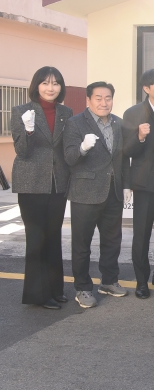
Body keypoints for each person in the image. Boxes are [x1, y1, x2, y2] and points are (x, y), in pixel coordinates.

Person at [63, 82, 130, 309]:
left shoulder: (118, 123)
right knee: (82, 243)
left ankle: (109, 281)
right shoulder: (75, 123)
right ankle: (82, 288)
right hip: (85, 193)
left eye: (108, 98)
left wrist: (126, 185)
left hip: (113, 191)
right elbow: (69, 157)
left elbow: (122, 158)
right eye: (98, 98)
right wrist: (82, 148)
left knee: (112, 241)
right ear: (88, 100)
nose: (104, 102)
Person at [11, 67, 73, 309]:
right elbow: (22, 151)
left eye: (56, 83)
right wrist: (28, 129)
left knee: (54, 235)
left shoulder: (66, 112)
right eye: (45, 83)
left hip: (58, 182)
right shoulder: (22, 111)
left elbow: (66, 147)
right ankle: (37, 295)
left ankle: (55, 289)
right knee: (37, 238)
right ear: (36, 85)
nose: (51, 88)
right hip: (31, 183)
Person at [122, 69, 154, 299]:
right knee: (141, 235)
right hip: (144, 183)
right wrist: (139, 137)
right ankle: (142, 281)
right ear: (146, 88)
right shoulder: (133, 113)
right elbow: (126, 151)